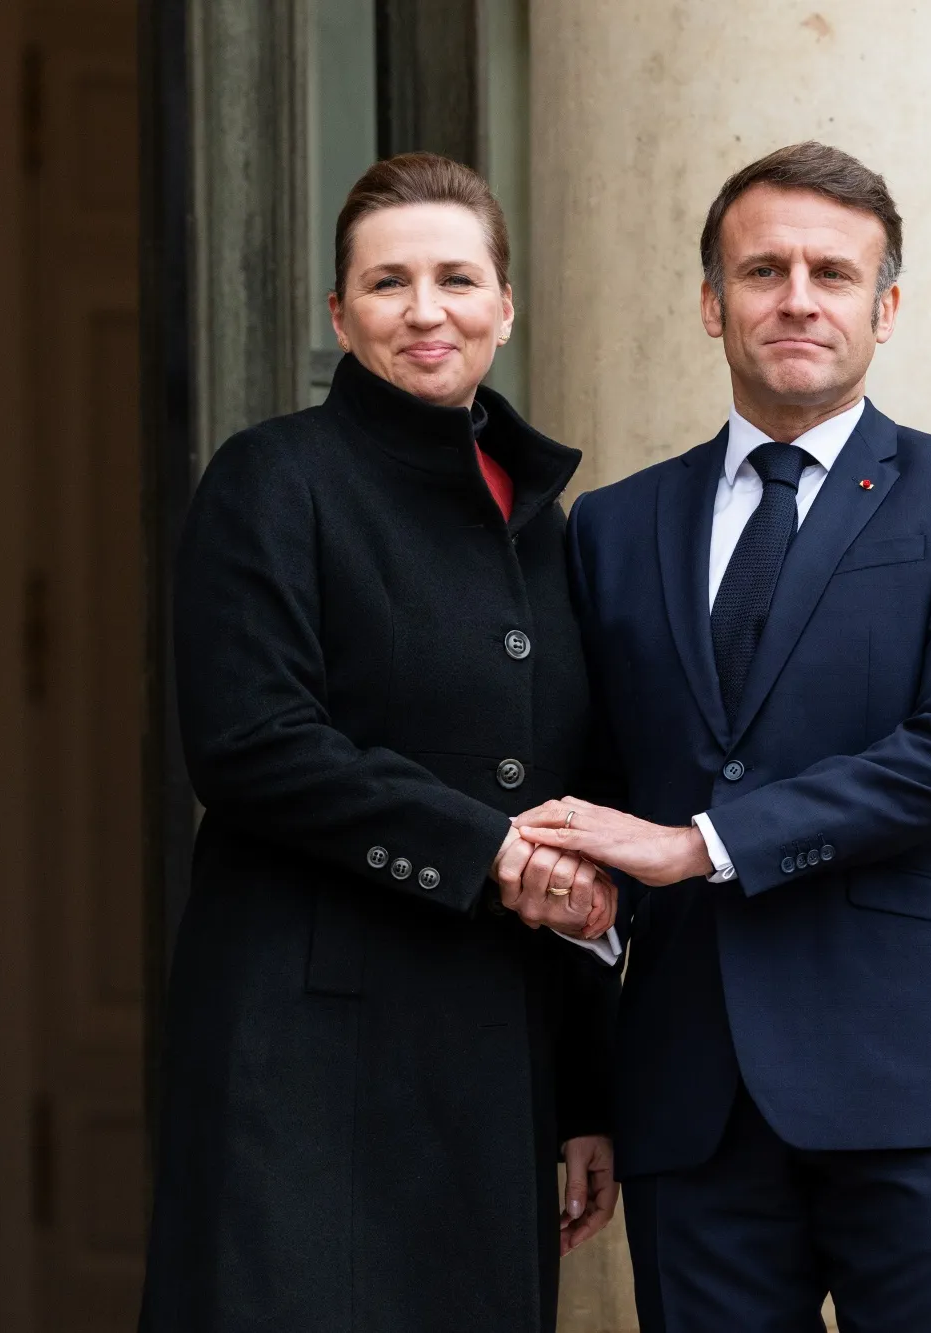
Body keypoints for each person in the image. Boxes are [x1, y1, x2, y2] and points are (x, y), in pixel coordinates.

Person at [515, 141, 931, 1333]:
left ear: (886, 308)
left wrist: (702, 843)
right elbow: (594, 799)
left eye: (833, 272)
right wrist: (584, 1088)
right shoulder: (611, 526)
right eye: (763, 270)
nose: (798, 298)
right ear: (711, 303)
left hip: (916, 1079)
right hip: (689, 1090)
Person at [139, 152, 621, 1333]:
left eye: (455, 278)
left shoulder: (547, 525)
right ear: (338, 314)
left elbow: (573, 798)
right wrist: (486, 849)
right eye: (386, 282)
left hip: (491, 1049)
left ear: (504, 306)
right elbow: (249, 741)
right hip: (305, 1052)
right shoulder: (272, 477)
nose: (424, 310)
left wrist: (581, 1095)